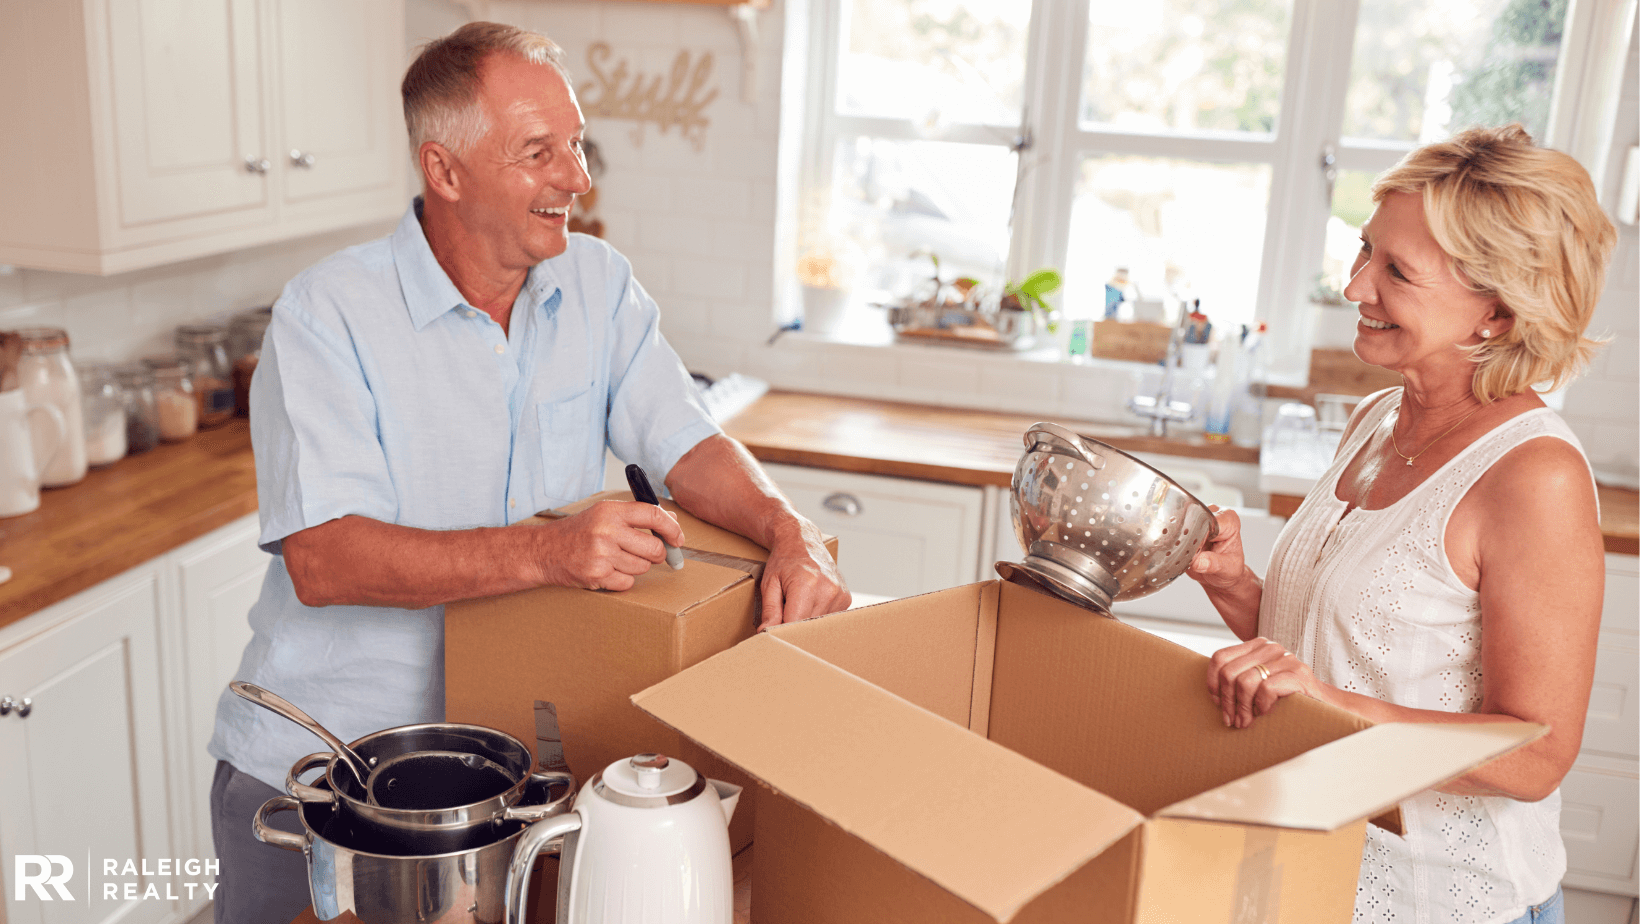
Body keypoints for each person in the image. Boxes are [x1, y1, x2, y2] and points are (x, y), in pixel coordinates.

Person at [205, 22, 849, 924]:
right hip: (330, 784)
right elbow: (327, 559)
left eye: (575, 144)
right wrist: (551, 552)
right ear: (446, 170)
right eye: (538, 152)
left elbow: (686, 440)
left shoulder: (599, 285)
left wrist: (793, 533)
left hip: (509, 793)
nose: (576, 178)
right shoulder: (327, 315)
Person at [1186, 124, 1615, 924]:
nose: (1354, 288)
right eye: (1362, 251)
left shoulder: (1534, 477)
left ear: (1495, 311)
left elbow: (1537, 755)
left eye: (1396, 272)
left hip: (1448, 901)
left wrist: (1325, 703)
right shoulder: (1380, 417)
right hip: (1316, 873)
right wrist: (1235, 584)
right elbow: (1339, 664)